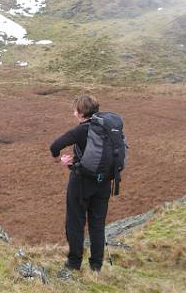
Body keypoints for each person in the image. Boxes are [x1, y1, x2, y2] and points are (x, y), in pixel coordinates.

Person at [50, 94, 111, 272]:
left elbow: (55, 146)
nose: (73, 113)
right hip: (105, 181)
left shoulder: (81, 130)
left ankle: (74, 263)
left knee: (75, 221)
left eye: (75, 110)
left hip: (82, 182)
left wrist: (60, 160)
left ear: (80, 113)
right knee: (97, 223)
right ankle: (96, 266)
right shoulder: (107, 126)